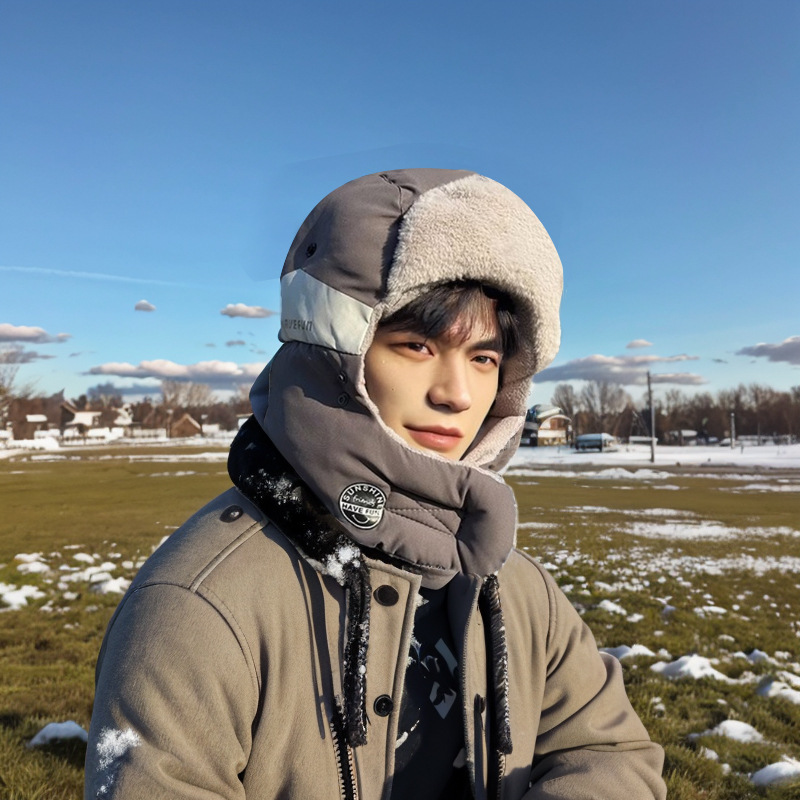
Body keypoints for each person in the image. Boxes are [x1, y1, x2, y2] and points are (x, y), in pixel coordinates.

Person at [84, 168, 666, 799]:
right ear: (336, 357)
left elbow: (608, 752)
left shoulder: (514, 587)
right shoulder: (201, 606)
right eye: (416, 346)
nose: (457, 394)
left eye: (483, 358)